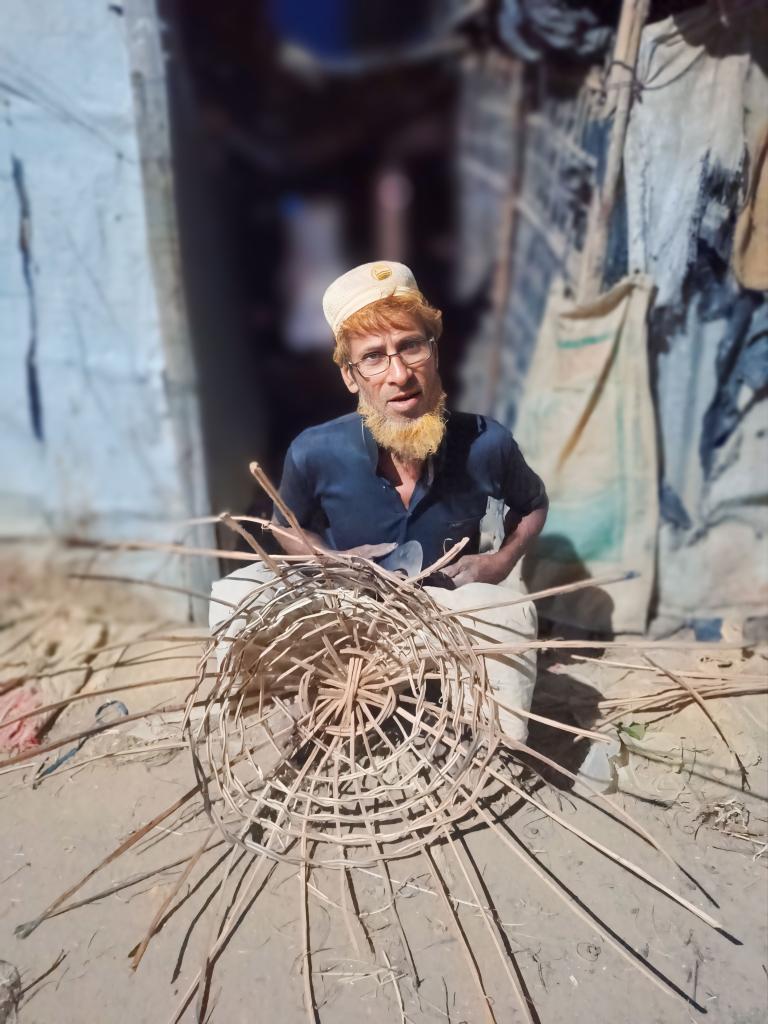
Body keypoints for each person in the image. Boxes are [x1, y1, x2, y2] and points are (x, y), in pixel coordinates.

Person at [210, 261, 548, 742]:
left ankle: (493, 744)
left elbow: (533, 505)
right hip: (346, 614)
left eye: (410, 346)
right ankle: (272, 719)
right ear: (351, 377)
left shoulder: (487, 443)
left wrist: (500, 560)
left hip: (442, 617)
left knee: (506, 613)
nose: (399, 374)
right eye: (374, 357)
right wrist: (328, 559)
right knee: (231, 594)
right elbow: (283, 525)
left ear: (433, 351)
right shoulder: (315, 449)